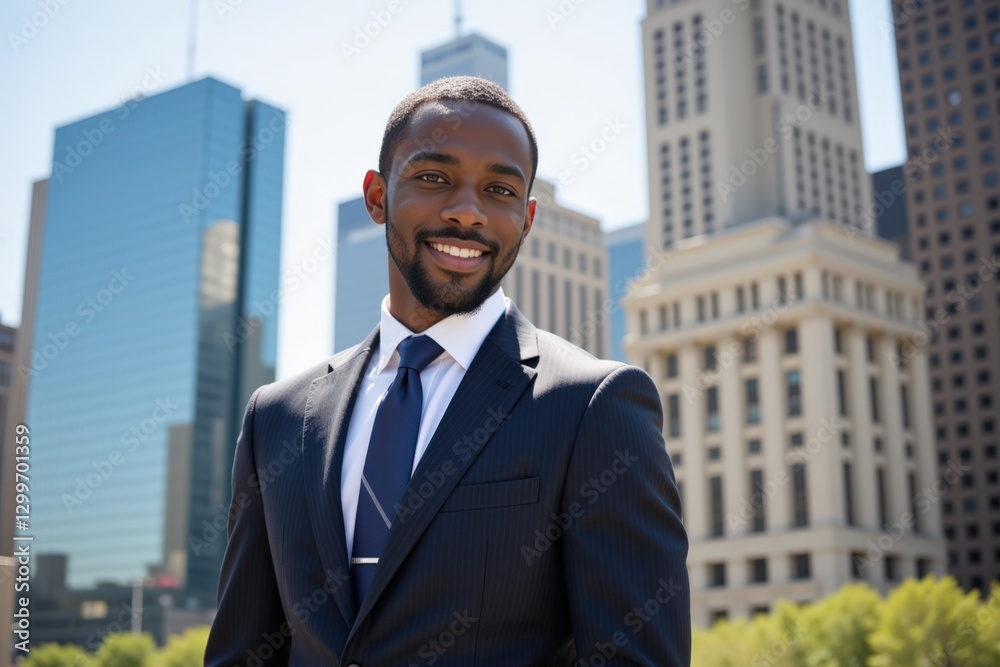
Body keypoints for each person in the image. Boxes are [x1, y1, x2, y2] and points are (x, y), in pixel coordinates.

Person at [205, 76, 689, 666]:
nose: (467, 212)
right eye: (434, 178)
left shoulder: (594, 407)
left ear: (527, 218)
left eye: (499, 190)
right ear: (377, 196)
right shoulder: (276, 419)